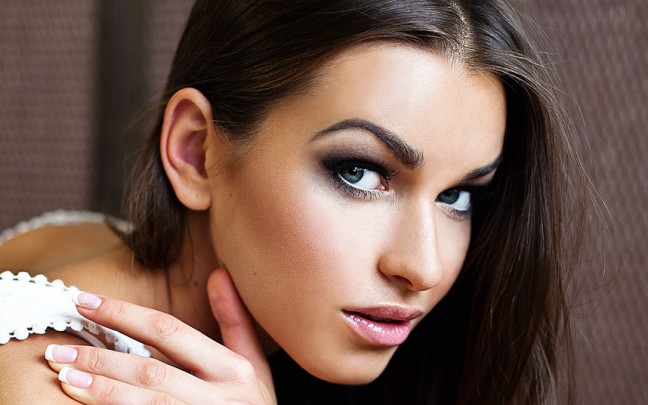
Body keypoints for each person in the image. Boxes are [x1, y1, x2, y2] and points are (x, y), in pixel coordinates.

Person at [0, 0, 587, 403]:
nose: (423, 267)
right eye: (359, 173)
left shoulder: (94, 244)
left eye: (456, 196)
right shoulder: (59, 381)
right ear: (196, 151)